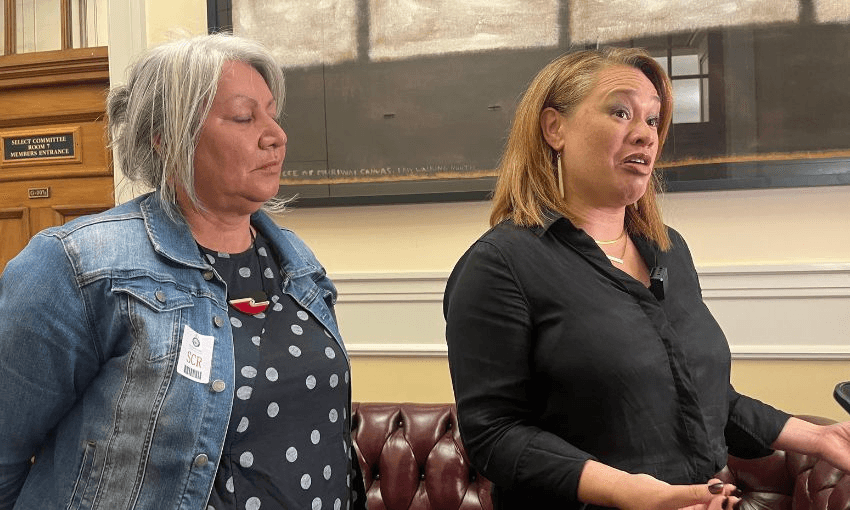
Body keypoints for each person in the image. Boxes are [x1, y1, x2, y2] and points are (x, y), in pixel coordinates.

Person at [443, 47, 850, 510]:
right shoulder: (499, 265)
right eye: (620, 112)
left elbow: (703, 395)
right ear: (555, 128)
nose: (644, 134)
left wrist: (820, 437)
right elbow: (494, 434)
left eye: (653, 121)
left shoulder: (669, 250)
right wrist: (634, 493)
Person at [0, 34, 367, 510]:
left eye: (272, 113)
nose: (276, 134)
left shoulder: (295, 259)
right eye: (243, 116)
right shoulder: (79, 263)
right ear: (170, 137)